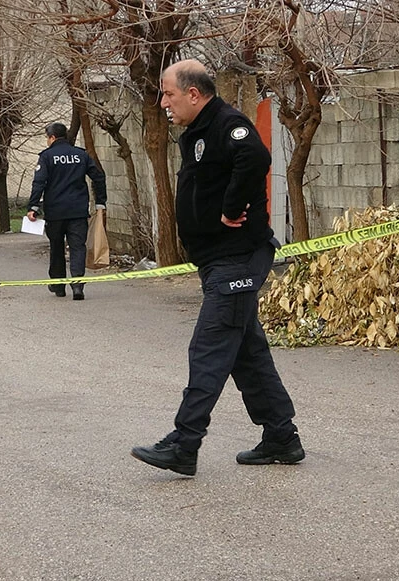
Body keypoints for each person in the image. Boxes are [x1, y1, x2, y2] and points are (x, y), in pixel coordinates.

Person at [130, 59, 304, 477]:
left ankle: (184, 443)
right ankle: (281, 436)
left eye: (168, 94)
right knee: (247, 354)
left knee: (208, 350)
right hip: (218, 260)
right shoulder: (198, 131)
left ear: (193, 93)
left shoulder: (228, 123)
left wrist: (230, 209)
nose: (163, 103)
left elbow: (255, 156)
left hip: (237, 257)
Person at [25, 122, 107, 300]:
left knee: (56, 247)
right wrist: (101, 202)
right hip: (78, 210)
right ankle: (78, 285)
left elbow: (39, 182)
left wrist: (33, 207)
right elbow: (98, 176)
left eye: (47, 138)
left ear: (52, 137)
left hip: (55, 212)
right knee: (78, 247)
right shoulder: (80, 155)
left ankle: (58, 285)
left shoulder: (47, 157)